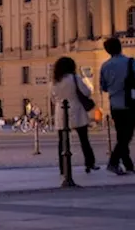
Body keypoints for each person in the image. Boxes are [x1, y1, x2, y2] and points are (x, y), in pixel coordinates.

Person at [52, 57, 96, 173]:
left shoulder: (55, 81)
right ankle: (89, 163)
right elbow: (86, 92)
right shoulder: (75, 78)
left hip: (61, 112)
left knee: (62, 142)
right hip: (77, 111)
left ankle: (63, 167)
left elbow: (52, 98)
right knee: (84, 140)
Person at [100, 37, 134, 175]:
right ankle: (113, 162)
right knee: (126, 136)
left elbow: (104, 87)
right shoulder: (129, 62)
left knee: (122, 135)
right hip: (129, 103)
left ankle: (128, 165)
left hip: (114, 105)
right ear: (120, 47)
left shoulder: (105, 66)